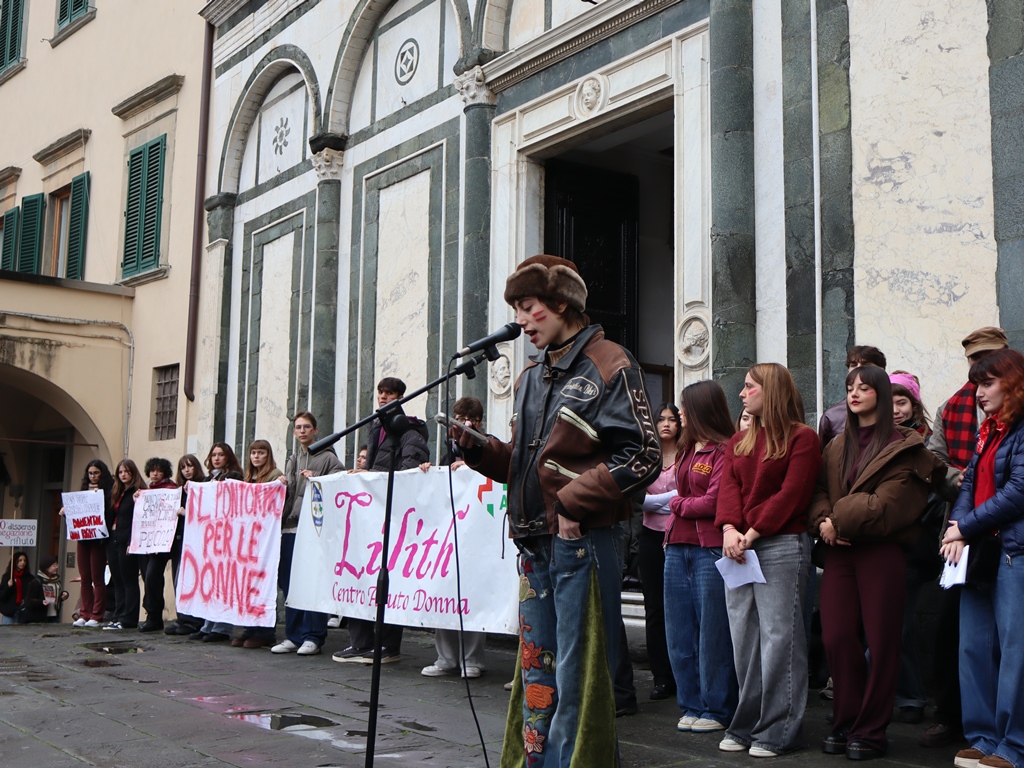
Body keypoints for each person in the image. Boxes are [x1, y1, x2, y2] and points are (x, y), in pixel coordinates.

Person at [457, 254, 662, 767]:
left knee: (577, 670)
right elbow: (531, 465)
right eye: (517, 310)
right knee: (537, 665)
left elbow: (643, 455)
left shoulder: (611, 361)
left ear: (562, 304)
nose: (521, 321)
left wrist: (574, 500)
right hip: (533, 539)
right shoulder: (531, 375)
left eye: (528, 308)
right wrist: (482, 451)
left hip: (583, 539)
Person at [810, 365, 944, 760]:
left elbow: (889, 504)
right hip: (840, 552)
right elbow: (818, 490)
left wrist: (835, 519)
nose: (854, 393)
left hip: (882, 553)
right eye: (850, 386)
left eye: (864, 387)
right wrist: (822, 522)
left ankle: (870, 730)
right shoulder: (836, 444)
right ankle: (846, 720)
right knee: (835, 637)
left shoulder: (907, 445)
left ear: (881, 396)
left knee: (883, 642)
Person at [716, 362, 821, 758]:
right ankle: (745, 725)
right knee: (745, 640)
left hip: (780, 545)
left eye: (748, 388)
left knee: (780, 640)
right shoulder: (738, 440)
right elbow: (728, 489)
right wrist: (728, 529)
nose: (741, 395)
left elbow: (792, 494)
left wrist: (752, 532)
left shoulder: (803, 438)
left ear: (770, 391)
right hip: (738, 546)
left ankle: (777, 731)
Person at [921, 326, 1009, 749]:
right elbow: (935, 463)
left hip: (1006, 536)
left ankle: (1007, 736)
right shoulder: (952, 405)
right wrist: (968, 498)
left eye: (989, 358)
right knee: (955, 631)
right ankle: (957, 720)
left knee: (1008, 638)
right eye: (975, 359)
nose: (980, 367)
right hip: (960, 535)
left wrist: (977, 498)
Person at [941, 348, 1024, 768]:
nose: (978, 393)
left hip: (1013, 553)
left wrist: (965, 526)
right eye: (976, 384)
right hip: (979, 552)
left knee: (1015, 651)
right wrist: (956, 529)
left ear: (1013, 382)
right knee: (973, 646)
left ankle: (1014, 745)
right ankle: (983, 737)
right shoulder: (990, 430)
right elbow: (969, 481)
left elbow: (1019, 492)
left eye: (987, 383)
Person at [334, 377, 429, 665]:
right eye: (380, 393)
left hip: (395, 515)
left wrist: (378, 483)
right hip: (371, 513)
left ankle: (388, 645)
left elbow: (409, 471)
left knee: (389, 580)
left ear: (400, 397)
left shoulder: (410, 430)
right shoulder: (376, 427)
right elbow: (375, 465)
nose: (383, 398)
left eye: (389, 393)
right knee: (360, 574)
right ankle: (360, 642)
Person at [664, 380, 737, 734]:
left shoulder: (725, 450)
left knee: (712, 631)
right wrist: (682, 505)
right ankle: (690, 703)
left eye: (683, 407)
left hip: (708, 548)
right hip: (675, 546)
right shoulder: (686, 449)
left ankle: (716, 707)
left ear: (700, 410)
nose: (679, 414)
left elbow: (712, 501)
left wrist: (677, 504)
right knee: (679, 631)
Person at [419, 396, 489, 679]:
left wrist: (471, 468)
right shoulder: (450, 448)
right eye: (456, 418)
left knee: (472, 596)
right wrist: (429, 470)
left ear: (477, 422)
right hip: (448, 532)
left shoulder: (486, 445)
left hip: (476, 533)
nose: (458, 424)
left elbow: (492, 475)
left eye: (463, 419)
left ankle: (472, 659)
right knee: (443, 593)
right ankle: (446, 657)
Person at [273, 411, 344, 656]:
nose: (302, 431)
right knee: (290, 583)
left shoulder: (327, 457)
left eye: (306, 427)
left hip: (314, 528)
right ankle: (293, 635)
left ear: (315, 430)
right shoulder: (293, 459)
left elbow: (340, 480)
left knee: (312, 581)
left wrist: (319, 479)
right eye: (298, 427)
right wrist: (282, 482)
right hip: (291, 526)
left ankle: (313, 635)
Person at [639, 403, 682, 701]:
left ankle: (683, 673)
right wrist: (668, 499)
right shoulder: (646, 456)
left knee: (679, 607)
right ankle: (661, 676)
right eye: (661, 419)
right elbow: (639, 498)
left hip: (679, 535)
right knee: (654, 608)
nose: (666, 424)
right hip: (650, 536)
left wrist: (659, 500)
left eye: (672, 419)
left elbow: (689, 494)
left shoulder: (687, 455)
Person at [190, 444, 244, 642]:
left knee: (224, 581)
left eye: (221, 455)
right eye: (213, 455)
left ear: (228, 457)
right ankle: (208, 624)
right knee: (210, 581)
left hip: (227, 536)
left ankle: (222, 627)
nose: (217, 458)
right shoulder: (207, 479)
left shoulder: (235, 477)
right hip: (210, 537)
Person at [234, 440, 284, 649]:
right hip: (249, 539)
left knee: (263, 583)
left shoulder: (274, 476)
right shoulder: (248, 478)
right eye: (253, 452)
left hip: (265, 538)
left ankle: (265, 631)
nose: (256, 457)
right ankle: (249, 627)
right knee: (247, 584)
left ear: (268, 455)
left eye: (261, 453)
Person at [164, 455, 206, 636]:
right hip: (179, 540)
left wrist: (186, 512)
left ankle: (193, 621)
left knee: (193, 581)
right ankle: (183, 617)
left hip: (196, 542)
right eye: (183, 467)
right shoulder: (178, 491)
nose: (187, 470)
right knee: (179, 581)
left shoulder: (203, 487)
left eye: (190, 466)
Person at [104, 459, 147, 630]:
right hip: (113, 538)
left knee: (129, 580)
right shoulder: (116, 492)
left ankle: (129, 618)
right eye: (120, 472)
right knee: (117, 580)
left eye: (126, 471)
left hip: (128, 540)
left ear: (133, 473)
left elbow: (139, 519)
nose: (123, 475)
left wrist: (132, 542)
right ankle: (118, 615)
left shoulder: (138, 492)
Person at [70, 460, 113, 628]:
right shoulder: (82, 491)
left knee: (97, 578)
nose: (93, 476)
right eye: (90, 473)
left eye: (96, 473)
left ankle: (96, 614)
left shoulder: (108, 491)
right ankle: (84, 613)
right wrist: (67, 512)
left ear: (102, 473)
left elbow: (109, 514)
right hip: (83, 538)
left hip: (98, 540)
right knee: (85, 578)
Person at [818, 346, 887, 448]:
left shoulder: (897, 408)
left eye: (865, 364)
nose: (859, 368)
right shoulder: (832, 416)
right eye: (854, 365)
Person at [137, 457, 177, 632]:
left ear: (165, 472)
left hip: (162, 543)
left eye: (159, 470)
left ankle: (155, 615)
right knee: (148, 578)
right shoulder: (146, 491)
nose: (155, 473)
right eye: (152, 470)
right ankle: (151, 616)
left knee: (153, 576)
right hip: (148, 543)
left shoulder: (171, 490)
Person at [21, 556, 69, 624]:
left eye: (57, 565)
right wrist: (42, 602)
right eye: (54, 565)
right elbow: (29, 601)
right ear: (47, 567)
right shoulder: (36, 582)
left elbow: (57, 597)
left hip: (54, 616)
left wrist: (64, 594)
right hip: (39, 618)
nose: (57, 567)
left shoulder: (56, 581)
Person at [0, 551, 36, 624]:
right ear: (15, 562)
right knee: (8, 634)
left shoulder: (30, 578)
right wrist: (8, 586)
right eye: (20, 560)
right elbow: (2, 595)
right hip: (10, 612)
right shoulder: (8, 577)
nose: (23, 563)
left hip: (23, 612)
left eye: (24, 560)